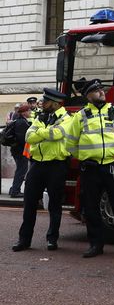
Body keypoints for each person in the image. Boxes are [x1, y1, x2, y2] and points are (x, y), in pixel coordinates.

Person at [65, 79, 114, 258]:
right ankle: (95, 245)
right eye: (96, 90)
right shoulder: (80, 115)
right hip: (90, 168)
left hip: (112, 166)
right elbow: (70, 144)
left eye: (102, 89)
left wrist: (109, 153)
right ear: (88, 95)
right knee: (91, 208)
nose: (101, 92)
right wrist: (86, 157)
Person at [12, 89, 70, 252]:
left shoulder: (66, 118)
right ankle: (24, 240)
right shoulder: (39, 116)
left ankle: (52, 239)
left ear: (56, 103)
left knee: (54, 205)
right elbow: (29, 137)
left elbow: (58, 133)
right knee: (29, 203)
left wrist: (40, 133)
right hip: (37, 164)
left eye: (45, 101)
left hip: (56, 165)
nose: (41, 103)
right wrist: (46, 133)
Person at [7, 104, 31, 198]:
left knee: (20, 170)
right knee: (21, 171)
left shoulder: (20, 121)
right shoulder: (21, 123)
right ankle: (15, 191)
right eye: (29, 111)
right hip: (20, 151)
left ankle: (13, 189)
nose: (30, 112)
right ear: (24, 113)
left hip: (17, 150)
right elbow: (22, 138)